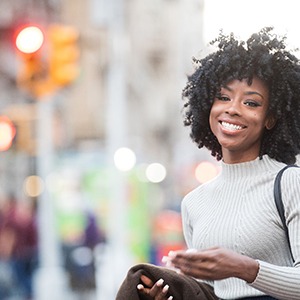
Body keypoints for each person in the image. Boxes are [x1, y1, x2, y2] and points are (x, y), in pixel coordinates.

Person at [116, 27, 300, 300]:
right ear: (207, 106)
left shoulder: (289, 182)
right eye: (223, 97)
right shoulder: (194, 203)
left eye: (251, 102)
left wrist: (244, 268)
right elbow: (206, 294)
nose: (232, 108)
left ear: (270, 119)